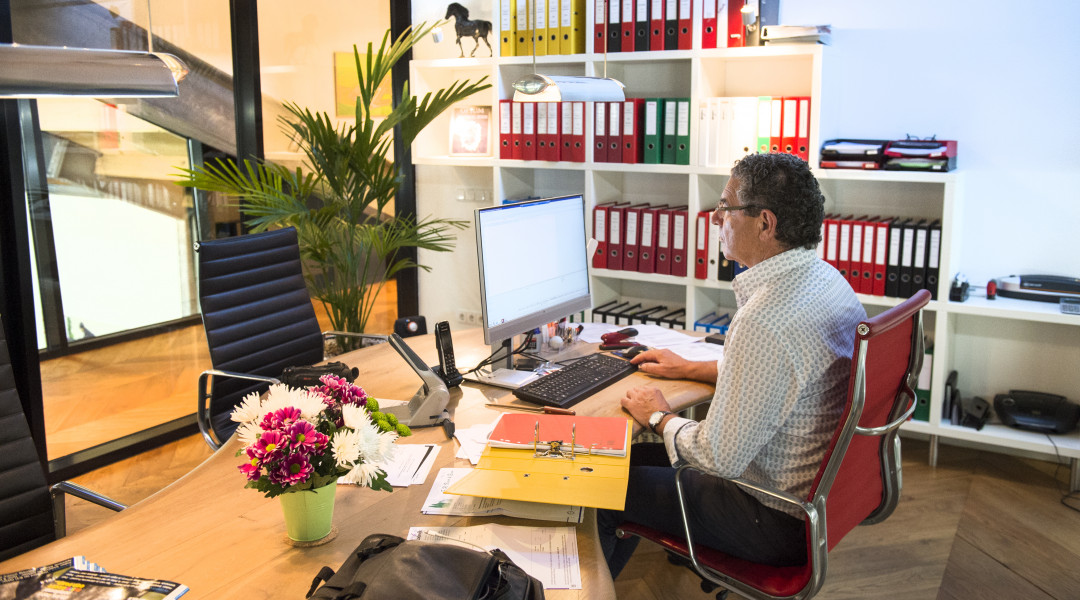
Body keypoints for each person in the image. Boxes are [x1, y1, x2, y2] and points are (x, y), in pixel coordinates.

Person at [598, 152, 867, 577]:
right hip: (815, 503)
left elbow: (716, 457)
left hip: (770, 516)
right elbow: (784, 378)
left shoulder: (765, 319)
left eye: (725, 206)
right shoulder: (826, 280)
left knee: (598, 484)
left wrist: (659, 417)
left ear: (765, 223)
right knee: (623, 460)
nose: (715, 217)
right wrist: (693, 368)